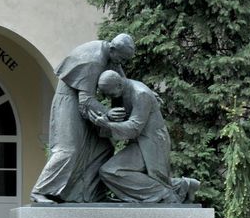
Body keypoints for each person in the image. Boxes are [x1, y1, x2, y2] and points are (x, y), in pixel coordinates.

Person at [30, 34, 135, 204]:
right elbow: (85, 101)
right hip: (69, 102)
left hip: (84, 102)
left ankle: (94, 194)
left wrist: (145, 93)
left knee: (103, 148)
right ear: (113, 49)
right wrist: (107, 113)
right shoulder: (93, 60)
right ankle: (40, 190)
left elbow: (124, 83)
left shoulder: (110, 55)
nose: (121, 63)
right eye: (122, 58)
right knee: (68, 149)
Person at [89, 70, 200, 203]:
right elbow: (124, 118)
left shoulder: (140, 93)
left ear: (119, 85)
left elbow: (134, 128)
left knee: (111, 171)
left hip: (151, 142)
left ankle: (166, 196)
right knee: (118, 171)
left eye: (110, 94)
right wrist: (108, 116)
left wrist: (107, 124)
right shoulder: (120, 91)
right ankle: (184, 185)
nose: (109, 98)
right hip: (140, 142)